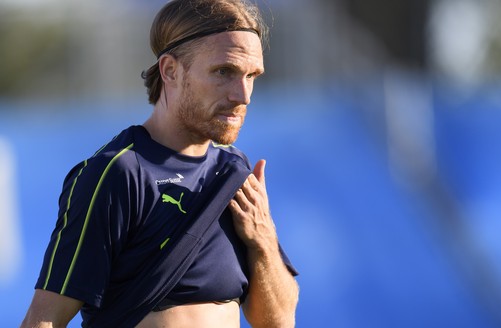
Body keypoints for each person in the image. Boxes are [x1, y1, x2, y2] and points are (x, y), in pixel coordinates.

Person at [20, 0, 299, 327]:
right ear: (170, 70)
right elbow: (44, 320)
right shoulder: (118, 174)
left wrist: (263, 241)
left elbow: (278, 321)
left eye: (251, 75)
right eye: (224, 71)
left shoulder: (235, 172)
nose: (243, 95)